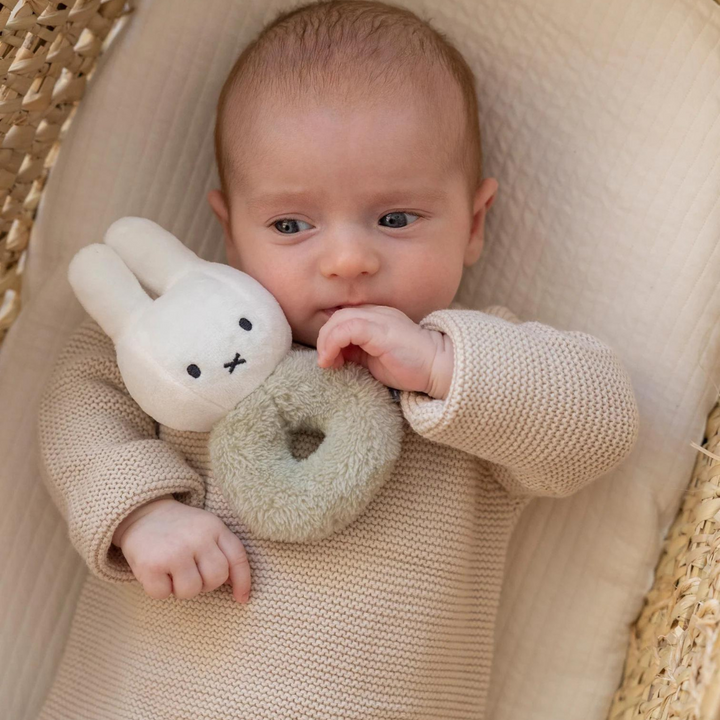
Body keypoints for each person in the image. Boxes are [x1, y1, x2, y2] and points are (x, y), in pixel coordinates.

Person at [35, 1, 641, 718]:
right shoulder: (188, 343)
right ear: (231, 232)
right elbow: (80, 400)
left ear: (473, 225)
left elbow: (603, 422)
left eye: (395, 219)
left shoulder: (471, 373)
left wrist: (445, 367)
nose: (349, 259)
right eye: (291, 225)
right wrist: (139, 511)